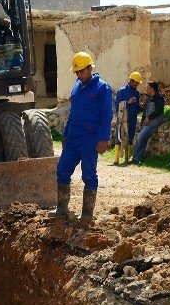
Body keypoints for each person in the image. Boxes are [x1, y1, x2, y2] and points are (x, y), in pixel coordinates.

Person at [50, 52, 113, 221]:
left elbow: (107, 115)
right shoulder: (77, 87)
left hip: (90, 139)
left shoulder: (102, 88)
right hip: (73, 138)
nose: (79, 75)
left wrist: (103, 139)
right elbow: (73, 114)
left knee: (89, 175)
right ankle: (61, 208)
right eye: (76, 72)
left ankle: (87, 214)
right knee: (62, 170)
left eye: (81, 71)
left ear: (90, 68)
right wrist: (66, 135)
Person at [112, 72, 142, 165]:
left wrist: (142, 107)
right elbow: (117, 105)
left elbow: (137, 107)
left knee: (130, 137)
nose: (137, 85)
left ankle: (127, 159)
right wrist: (127, 102)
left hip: (132, 118)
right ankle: (116, 159)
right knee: (119, 136)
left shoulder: (137, 93)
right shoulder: (122, 91)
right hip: (122, 118)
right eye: (135, 83)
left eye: (138, 83)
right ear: (131, 81)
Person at [132, 81, 165, 165]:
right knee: (143, 140)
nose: (146, 89)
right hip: (146, 124)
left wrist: (149, 118)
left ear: (152, 89)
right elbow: (144, 111)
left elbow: (159, 111)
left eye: (147, 88)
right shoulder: (149, 98)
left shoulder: (159, 98)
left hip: (152, 124)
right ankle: (137, 159)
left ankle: (135, 158)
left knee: (140, 138)